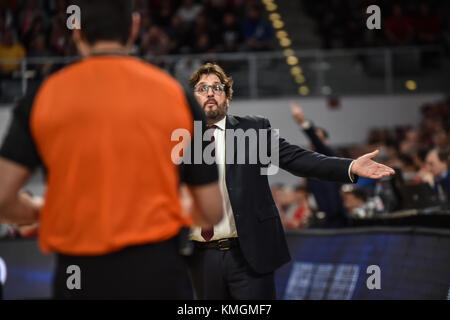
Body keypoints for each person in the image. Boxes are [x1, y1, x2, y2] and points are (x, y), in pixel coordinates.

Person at [0, 0, 222, 300]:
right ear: (134, 27)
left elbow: (2, 198)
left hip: (77, 274)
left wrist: (41, 210)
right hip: (158, 273)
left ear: (76, 31)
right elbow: (210, 210)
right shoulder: (176, 96)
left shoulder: (42, 98)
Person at [186, 62, 395, 300]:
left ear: (228, 98)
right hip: (201, 256)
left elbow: (298, 158)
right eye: (202, 88)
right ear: (193, 98)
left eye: (217, 87)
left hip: (247, 253)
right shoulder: (176, 137)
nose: (210, 92)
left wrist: (350, 165)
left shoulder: (253, 129)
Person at [290, 102, 347, 227]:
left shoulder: (330, 155)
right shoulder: (310, 160)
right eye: (313, 139)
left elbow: (318, 143)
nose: (314, 142)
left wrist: (302, 122)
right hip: (319, 218)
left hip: (335, 217)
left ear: (326, 141)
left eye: (318, 139)